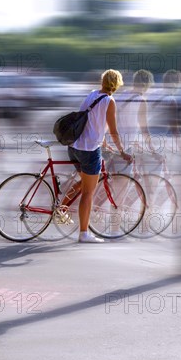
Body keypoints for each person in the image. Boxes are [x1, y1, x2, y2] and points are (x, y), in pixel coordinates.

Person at [67, 69, 133, 243]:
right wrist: (122, 151)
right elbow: (113, 130)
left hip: (74, 147)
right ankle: (83, 234)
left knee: (84, 183)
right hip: (89, 151)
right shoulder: (110, 101)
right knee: (89, 193)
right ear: (117, 84)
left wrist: (104, 143)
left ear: (102, 81)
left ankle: (61, 207)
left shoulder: (92, 95)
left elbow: (88, 122)